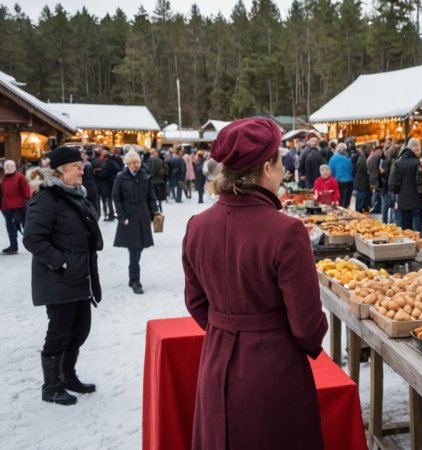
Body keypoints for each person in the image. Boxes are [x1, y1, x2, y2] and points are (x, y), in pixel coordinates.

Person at [183, 117, 328, 449]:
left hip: (216, 362)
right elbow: (307, 325)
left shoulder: (197, 226)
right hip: (272, 369)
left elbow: (195, 302)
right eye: (279, 162)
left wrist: (227, 327)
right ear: (267, 167)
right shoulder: (286, 232)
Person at [23, 146, 103, 406]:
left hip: (80, 278)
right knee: (58, 333)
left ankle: (68, 376)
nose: (83, 169)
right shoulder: (46, 198)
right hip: (59, 280)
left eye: (82, 165)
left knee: (80, 330)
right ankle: (51, 386)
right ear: (60, 170)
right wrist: (62, 264)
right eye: (76, 166)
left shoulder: (76, 196)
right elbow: (33, 238)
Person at [112, 151, 160, 294]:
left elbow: (151, 197)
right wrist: (122, 216)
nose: (136, 165)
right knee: (134, 250)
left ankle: (132, 278)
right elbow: (116, 198)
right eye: (133, 162)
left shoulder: (145, 177)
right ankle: (135, 280)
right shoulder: (121, 178)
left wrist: (155, 212)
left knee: (137, 250)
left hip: (143, 217)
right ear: (127, 163)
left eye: (138, 162)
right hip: (129, 218)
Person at [389, 138, 422, 232]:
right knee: (417, 227)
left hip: (403, 200)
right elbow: (420, 182)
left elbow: (393, 182)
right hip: (417, 200)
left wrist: (397, 193)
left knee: (406, 227)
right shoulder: (417, 162)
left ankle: (408, 244)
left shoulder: (398, 162)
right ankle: (417, 243)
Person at [2, 160, 31, 254]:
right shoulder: (5, 177)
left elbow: (26, 191)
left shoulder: (20, 177)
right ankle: (13, 246)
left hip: (18, 206)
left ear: (14, 167)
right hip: (6, 207)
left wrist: (27, 203)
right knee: (10, 227)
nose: (8, 168)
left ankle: (32, 244)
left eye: (10, 166)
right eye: (6, 166)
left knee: (22, 225)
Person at [96, 148, 123, 220]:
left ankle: (109, 215)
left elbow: (104, 173)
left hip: (107, 183)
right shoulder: (112, 161)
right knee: (109, 199)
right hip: (109, 183)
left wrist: (99, 173)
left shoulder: (109, 162)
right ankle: (110, 214)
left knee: (108, 199)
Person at [329, 143, 354, 208]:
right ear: (344, 151)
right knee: (346, 202)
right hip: (349, 182)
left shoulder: (333, 159)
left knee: (339, 202)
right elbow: (351, 170)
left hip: (339, 182)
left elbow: (331, 172)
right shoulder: (348, 159)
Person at [379, 146, 397, 224]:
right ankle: (391, 221)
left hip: (385, 184)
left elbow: (384, 174)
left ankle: (385, 220)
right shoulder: (394, 161)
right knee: (391, 202)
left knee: (385, 203)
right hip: (390, 184)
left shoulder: (385, 161)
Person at [80, 148, 100, 215]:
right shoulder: (83, 165)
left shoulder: (88, 165)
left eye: (84, 156)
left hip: (90, 190)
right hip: (84, 189)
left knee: (93, 206)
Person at [353, 145, 371, 213]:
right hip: (362, 181)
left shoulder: (362, 157)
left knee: (361, 197)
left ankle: (360, 210)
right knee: (361, 198)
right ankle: (359, 212)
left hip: (361, 181)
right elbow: (365, 170)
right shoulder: (364, 159)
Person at [367, 146, 382, 213]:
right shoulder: (376, 157)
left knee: (373, 192)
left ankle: (372, 206)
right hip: (375, 178)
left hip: (371, 178)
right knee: (375, 193)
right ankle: (375, 207)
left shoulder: (370, 157)